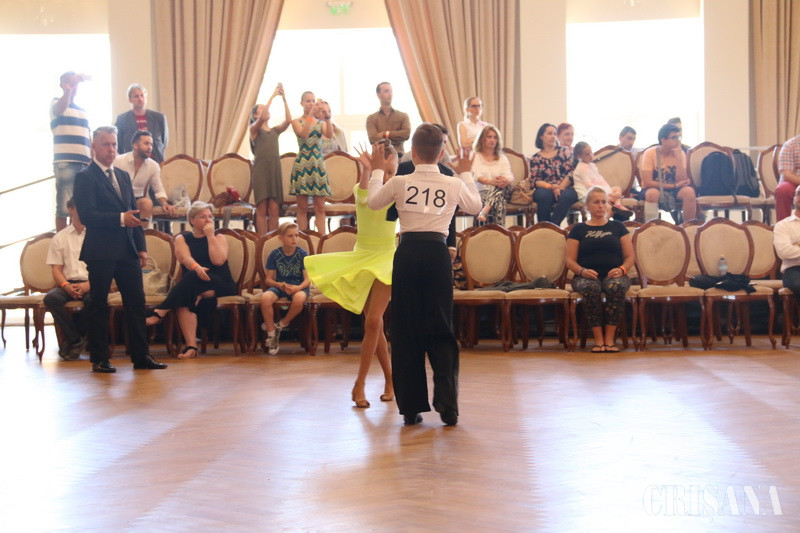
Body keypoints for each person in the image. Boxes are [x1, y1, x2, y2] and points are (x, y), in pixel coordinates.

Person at [367, 123, 482, 427]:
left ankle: (410, 408)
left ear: (413, 153)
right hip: (437, 255)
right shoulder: (453, 183)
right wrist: (466, 173)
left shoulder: (400, 181)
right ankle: (447, 405)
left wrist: (376, 169)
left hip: (407, 255)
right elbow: (476, 206)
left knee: (406, 329)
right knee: (442, 327)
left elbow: (373, 202)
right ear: (442, 154)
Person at [304, 140, 397, 408]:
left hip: (387, 259)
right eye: (385, 171)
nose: (388, 177)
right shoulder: (362, 189)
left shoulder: (396, 191)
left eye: (392, 171)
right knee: (374, 324)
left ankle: (360, 383)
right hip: (363, 257)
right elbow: (367, 194)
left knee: (374, 320)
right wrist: (368, 170)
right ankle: (390, 379)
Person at [72, 126, 167, 373]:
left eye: (114, 144)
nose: (111, 149)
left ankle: (141, 356)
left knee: (136, 303)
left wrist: (141, 248)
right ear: (94, 146)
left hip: (127, 250)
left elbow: (133, 214)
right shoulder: (85, 176)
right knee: (98, 305)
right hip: (101, 251)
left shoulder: (123, 176)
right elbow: (88, 216)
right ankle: (100, 358)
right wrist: (121, 219)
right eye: (106, 144)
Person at [145, 202, 237, 358]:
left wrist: (210, 236)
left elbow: (218, 261)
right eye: (203, 217)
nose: (208, 220)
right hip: (194, 281)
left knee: (190, 282)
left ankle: (161, 311)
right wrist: (197, 268)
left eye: (210, 216)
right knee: (189, 292)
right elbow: (185, 258)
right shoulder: (182, 238)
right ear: (192, 220)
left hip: (221, 282)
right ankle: (191, 346)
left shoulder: (219, 237)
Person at [565, 187, 635, 353]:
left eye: (604, 202)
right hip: (585, 277)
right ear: (587, 205)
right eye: (596, 202)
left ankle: (609, 338)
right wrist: (582, 271)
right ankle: (598, 339)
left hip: (616, 275)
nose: (601, 205)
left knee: (615, 286)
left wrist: (622, 269)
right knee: (591, 287)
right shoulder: (578, 229)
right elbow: (569, 260)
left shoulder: (618, 227)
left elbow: (630, 257)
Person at [44, 198, 89, 360]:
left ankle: (75, 340)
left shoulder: (97, 234)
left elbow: (104, 268)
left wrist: (88, 285)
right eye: (80, 206)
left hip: (91, 283)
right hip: (68, 283)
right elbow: (56, 269)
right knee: (51, 298)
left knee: (94, 299)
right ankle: (75, 339)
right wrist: (65, 285)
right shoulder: (60, 237)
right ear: (70, 209)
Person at [260, 222, 311, 355]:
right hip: (280, 286)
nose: (294, 239)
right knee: (265, 298)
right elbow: (268, 280)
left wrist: (298, 288)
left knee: (299, 299)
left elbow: (308, 280)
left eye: (296, 235)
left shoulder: (302, 254)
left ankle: (281, 325)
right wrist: (280, 285)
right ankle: (271, 335)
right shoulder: (275, 254)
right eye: (290, 236)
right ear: (281, 238)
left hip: (298, 286)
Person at [51, 71, 92, 231]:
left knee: (80, 206)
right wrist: (68, 89)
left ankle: (76, 240)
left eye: (75, 83)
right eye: (69, 83)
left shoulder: (83, 110)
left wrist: (92, 160)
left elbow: (88, 137)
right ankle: (61, 241)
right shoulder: (56, 103)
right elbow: (60, 109)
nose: (73, 86)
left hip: (84, 163)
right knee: (64, 207)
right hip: (66, 162)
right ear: (62, 85)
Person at [250, 83, 292, 234]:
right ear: (255, 115)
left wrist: (284, 99)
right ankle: (262, 239)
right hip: (261, 171)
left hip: (274, 170)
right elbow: (262, 118)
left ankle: (273, 239)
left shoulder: (275, 131)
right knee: (262, 207)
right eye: (262, 109)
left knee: (274, 207)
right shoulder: (254, 130)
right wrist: (273, 96)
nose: (266, 111)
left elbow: (288, 120)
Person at [290, 91, 332, 235]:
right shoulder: (296, 121)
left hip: (317, 163)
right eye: (308, 101)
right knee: (302, 207)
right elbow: (304, 134)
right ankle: (302, 238)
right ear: (301, 103)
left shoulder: (320, 123)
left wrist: (327, 116)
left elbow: (330, 135)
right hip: (302, 164)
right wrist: (311, 116)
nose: (311, 103)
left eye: (313, 101)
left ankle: (321, 238)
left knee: (320, 206)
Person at [639, 123, 697, 222]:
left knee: (689, 192)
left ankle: (688, 227)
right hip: (653, 188)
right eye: (674, 137)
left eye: (679, 137)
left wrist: (679, 159)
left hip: (674, 188)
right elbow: (648, 182)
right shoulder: (650, 153)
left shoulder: (680, 153)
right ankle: (651, 227)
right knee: (653, 193)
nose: (678, 140)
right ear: (663, 140)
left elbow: (682, 180)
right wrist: (673, 186)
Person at [114, 131, 175, 221]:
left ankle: (142, 230)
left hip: (137, 200)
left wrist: (164, 203)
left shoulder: (153, 165)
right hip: (118, 199)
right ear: (135, 145)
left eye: (151, 144)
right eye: (146, 144)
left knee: (147, 203)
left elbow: (158, 189)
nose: (150, 147)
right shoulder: (118, 161)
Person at [529, 123, 579, 226]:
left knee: (567, 195)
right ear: (541, 136)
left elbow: (571, 173)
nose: (553, 136)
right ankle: (544, 226)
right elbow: (535, 180)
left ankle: (552, 227)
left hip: (565, 186)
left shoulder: (565, 152)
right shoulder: (535, 158)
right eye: (549, 133)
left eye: (554, 134)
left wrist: (560, 187)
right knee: (544, 195)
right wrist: (551, 187)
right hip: (545, 188)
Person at [572, 141, 632, 221]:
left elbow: (600, 179)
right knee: (608, 207)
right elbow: (589, 185)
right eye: (587, 154)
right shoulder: (582, 168)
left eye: (591, 152)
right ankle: (602, 221)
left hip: (599, 190)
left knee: (617, 188)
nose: (591, 156)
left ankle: (617, 204)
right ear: (579, 156)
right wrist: (605, 193)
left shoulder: (592, 165)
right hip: (587, 193)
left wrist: (609, 190)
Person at [115, 84, 169, 163]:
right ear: (130, 100)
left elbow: (164, 141)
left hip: (155, 161)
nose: (140, 99)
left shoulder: (159, 118)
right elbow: (118, 143)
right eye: (136, 96)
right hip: (131, 162)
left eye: (142, 95)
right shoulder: (122, 119)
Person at [472, 125, 513, 225]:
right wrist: (490, 182)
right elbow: (475, 175)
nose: (492, 140)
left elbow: (509, 176)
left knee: (499, 187)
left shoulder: (502, 158)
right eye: (489, 137)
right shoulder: (475, 156)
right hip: (482, 192)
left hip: (502, 189)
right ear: (482, 139)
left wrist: (505, 180)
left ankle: (484, 211)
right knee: (500, 201)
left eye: (495, 137)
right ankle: (500, 230)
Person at [366, 82, 411, 156]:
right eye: (386, 91)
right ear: (378, 95)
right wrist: (397, 136)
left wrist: (385, 134)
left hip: (399, 157)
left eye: (391, 91)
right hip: (380, 157)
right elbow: (373, 139)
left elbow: (406, 134)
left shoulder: (403, 116)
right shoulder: (371, 119)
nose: (390, 94)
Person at [774, 185, 800, 297]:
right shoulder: (783, 225)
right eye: (798, 194)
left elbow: (791, 250)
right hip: (794, 269)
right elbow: (784, 252)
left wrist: (797, 245)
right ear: (794, 198)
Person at [773, 133, 800, 222]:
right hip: (794, 182)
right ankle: (783, 225)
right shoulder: (790, 145)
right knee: (783, 189)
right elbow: (786, 175)